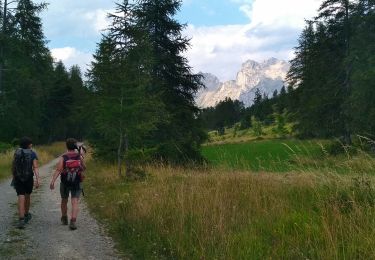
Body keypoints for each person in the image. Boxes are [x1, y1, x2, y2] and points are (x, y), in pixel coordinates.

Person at [50, 138, 86, 230]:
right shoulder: (79, 156)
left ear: (66, 146)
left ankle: (64, 217)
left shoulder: (63, 157)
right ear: (75, 146)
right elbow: (84, 168)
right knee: (75, 202)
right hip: (77, 182)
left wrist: (53, 181)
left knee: (64, 200)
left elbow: (59, 170)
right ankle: (73, 221)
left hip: (65, 182)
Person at [12, 137, 40, 229]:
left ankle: (21, 219)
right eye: (31, 143)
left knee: (20, 196)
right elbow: (35, 167)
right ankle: (26, 214)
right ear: (29, 145)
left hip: (18, 178)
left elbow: (14, 165)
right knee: (27, 196)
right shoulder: (32, 153)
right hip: (28, 179)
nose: (31, 145)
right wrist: (38, 179)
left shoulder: (16, 152)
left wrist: (14, 176)